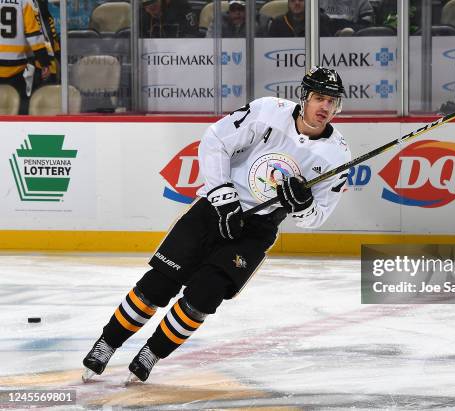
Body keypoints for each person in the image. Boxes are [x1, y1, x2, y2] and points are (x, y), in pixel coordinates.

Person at [81, 66, 351, 383]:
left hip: (256, 231)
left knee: (204, 297)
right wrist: (224, 199)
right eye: (319, 98)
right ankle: (107, 343)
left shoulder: (337, 156)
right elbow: (215, 140)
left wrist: (302, 204)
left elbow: (316, 217)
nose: (325, 108)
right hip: (215, 210)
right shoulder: (268, 112)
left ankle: (151, 353)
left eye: (332, 101)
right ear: (304, 97)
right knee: (158, 284)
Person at [0, 0, 52, 114]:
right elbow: (33, 33)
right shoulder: (24, 1)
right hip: (16, 66)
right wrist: (44, 62)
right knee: (19, 108)